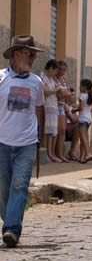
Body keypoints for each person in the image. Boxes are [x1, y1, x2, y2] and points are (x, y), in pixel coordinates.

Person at [0, 35, 45, 248]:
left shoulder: (37, 83)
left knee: (19, 185)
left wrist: (40, 138)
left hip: (26, 144)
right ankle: (11, 219)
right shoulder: (0, 78)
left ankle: (11, 229)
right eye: (30, 54)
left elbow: (38, 110)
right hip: (1, 143)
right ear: (16, 54)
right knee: (3, 189)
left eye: (34, 55)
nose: (33, 58)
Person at [41, 59, 62, 162]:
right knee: (48, 132)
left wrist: (59, 88)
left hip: (54, 106)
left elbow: (57, 93)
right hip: (47, 106)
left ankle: (51, 153)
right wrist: (56, 89)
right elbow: (46, 91)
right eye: (55, 71)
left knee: (53, 132)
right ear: (50, 68)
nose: (55, 74)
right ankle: (48, 154)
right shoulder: (42, 77)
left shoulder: (52, 80)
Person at [54, 61, 73, 160]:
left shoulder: (64, 79)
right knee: (56, 131)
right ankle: (55, 153)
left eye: (63, 70)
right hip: (55, 106)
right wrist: (66, 94)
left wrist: (66, 95)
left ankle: (60, 154)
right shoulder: (54, 78)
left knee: (62, 131)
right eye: (60, 69)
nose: (61, 72)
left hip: (62, 106)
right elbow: (59, 95)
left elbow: (68, 94)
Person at [77, 79, 92, 163]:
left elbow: (81, 108)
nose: (79, 87)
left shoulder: (82, 95)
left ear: (85, 87)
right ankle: (82, 157)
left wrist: (74, 110)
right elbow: (91, 109)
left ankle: (88, 153)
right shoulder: (91, 96)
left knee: (83, 137)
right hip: (89, 118)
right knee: (84, 137)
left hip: (83, 118)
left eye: (81, 86)